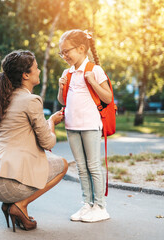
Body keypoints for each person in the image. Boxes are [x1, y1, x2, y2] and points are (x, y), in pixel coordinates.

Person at [0, 50, 68, 232]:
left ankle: (14, 207)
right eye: (36, 68)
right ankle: (20, 205)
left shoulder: (1, 99)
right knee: (63, 165)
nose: (39, 71)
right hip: (9, 183)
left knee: (44, 162)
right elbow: (48, 143)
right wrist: (51, 122)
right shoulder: (30, 100)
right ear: (26, 75)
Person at [57, 29, 112, 223]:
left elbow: (108, 97)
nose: (64, 56)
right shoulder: (67, 73)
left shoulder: (94, 70)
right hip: (72, 126)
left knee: (93, 166)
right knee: (81, 167)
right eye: (61, 53)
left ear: (81, 49)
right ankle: (87, 204)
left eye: (66, 51)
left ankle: (100, 206)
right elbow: (62, 101)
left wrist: (92, 82)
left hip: (90, 125)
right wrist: (61, 86)